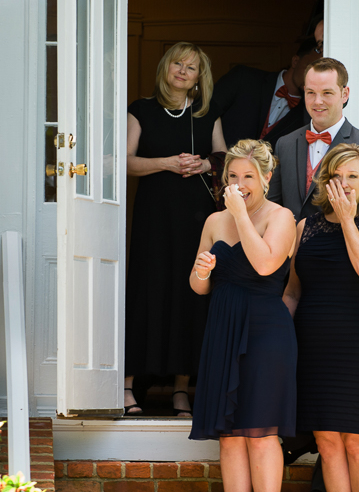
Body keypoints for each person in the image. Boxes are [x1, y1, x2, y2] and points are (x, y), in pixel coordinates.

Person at [124, 42, 228, 417]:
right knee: (147, 290)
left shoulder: (208, 113)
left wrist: (204, 166)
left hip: (196, 217)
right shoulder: (142, 110)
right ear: (166, 68)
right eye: (178, 64)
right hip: (154, 215)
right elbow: (125, 163)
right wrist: (166, 163)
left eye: (192, 67)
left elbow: (224, 160)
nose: (184, 71)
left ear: (201, 77)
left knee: (191, 295)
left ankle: (182, 390)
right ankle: (127, 387)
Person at [188, 139, 298, 492]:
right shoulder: (213, 221)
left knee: (261, 433)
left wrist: (239, 215)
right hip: (222, 330)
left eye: (248, 176)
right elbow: (197, 286)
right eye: (232, 175)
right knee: (230, 436)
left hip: (265, 333)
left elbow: (266, 264)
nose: (238, 183)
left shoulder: (282, 217)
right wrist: (202, 271)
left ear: (266, 177)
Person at [283, 143, 359, 492]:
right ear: (325, 181)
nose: (344, 183)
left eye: (352, 177)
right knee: (328, 443)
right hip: (312, 344)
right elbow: (292, 291)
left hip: (355, 343)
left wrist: (347, 218)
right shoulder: (305, 226)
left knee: (357, 441)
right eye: (337, 176)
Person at [268, 58, 359, 221]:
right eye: (311, 92)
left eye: (327, 93)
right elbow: (273, 207)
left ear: (344, 94)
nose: (317, 101)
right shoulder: (285, 144)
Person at [211, 37, 317, 152]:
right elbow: (205, 113)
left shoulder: (310, 113)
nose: (313, 76)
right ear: (295, 61)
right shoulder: (244, 78)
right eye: (310, 68)